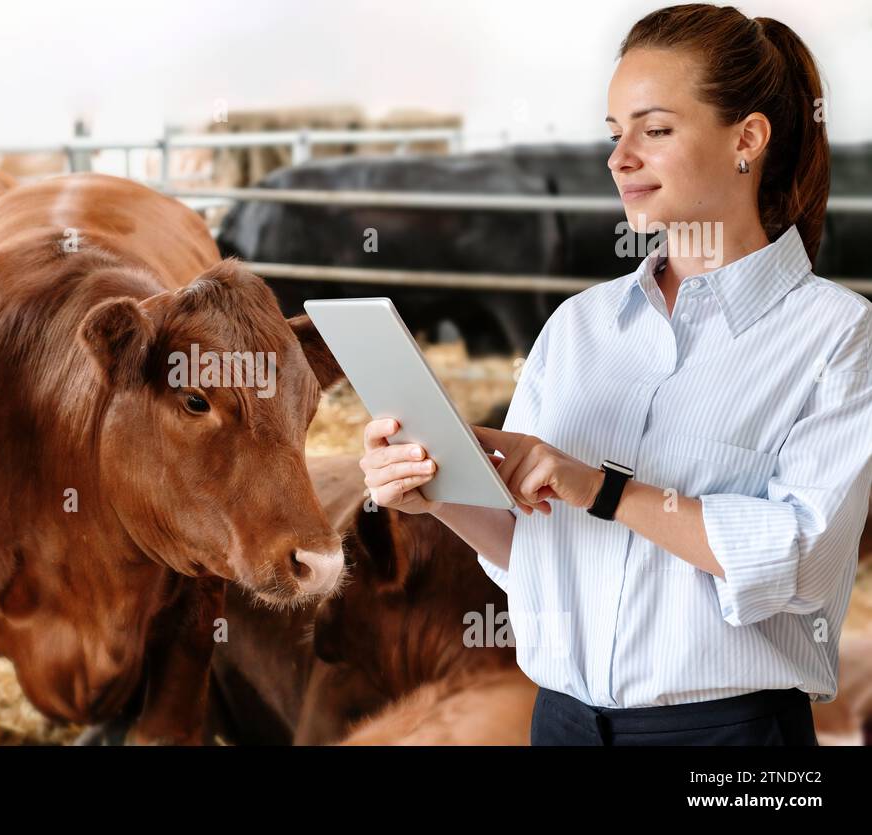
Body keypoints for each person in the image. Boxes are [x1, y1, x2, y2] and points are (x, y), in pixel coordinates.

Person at [360, 3, 870, 745]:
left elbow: (799, 560)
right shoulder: (578, 328)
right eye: (614, 134)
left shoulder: (835, 336)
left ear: (747, 140)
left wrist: (600, 487)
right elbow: (537, 552)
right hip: (563, 723)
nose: (619, 157)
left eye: (654, 129)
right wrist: (435, 488)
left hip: (728, 739)